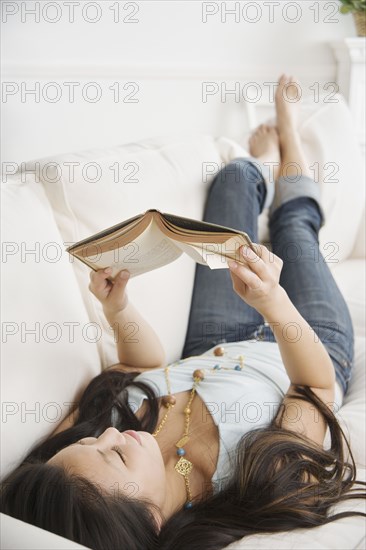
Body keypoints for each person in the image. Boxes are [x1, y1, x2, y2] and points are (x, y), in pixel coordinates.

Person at [1, 75, 365, 550]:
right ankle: (290, 133)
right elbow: (312, 386)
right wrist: (273, 302)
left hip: (214, 343)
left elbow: (138, 368)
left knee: (235, 176)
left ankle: (262, 164)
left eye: (90, 443)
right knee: (295, 230)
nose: (110, 434)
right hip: (308, 343)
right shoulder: (254, 475)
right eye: (114, 456)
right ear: (151, 521)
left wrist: (118, 308)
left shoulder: (78, 461)